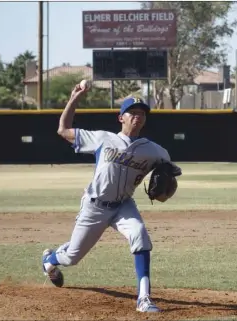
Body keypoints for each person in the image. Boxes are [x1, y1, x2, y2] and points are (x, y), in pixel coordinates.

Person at [41, 84, 181, 313]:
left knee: (139, 234)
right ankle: (49, 260)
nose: (137, 117)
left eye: (142, 113)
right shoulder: (101, 139)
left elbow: (171, 172)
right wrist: (74, 98)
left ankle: (144, 298)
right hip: (94, 206)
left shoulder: (155, 151)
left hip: (124, 205)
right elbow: (63, 129)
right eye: (132, 113)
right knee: (72, 257)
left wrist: (168, 183)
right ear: (121, 118)